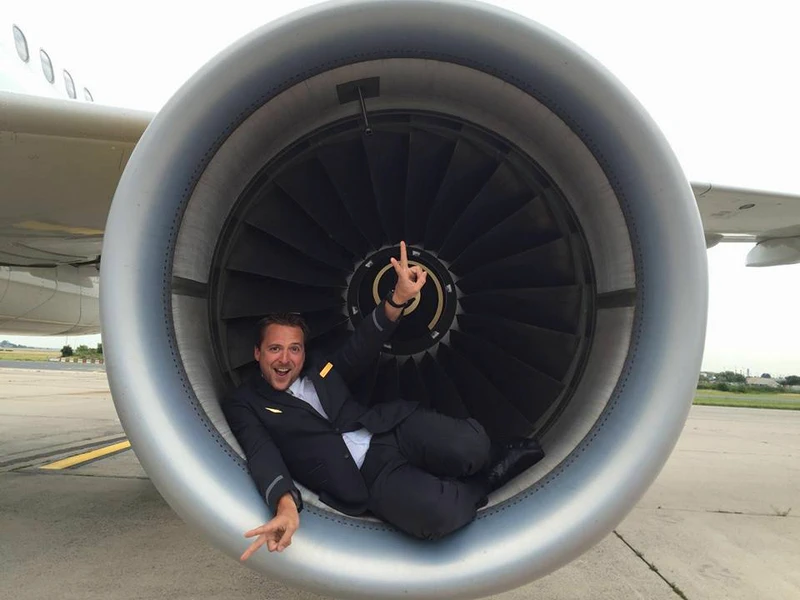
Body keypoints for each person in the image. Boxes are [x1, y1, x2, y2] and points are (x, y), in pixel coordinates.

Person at [222, 241, 544, 560]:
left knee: (471, 445)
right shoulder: (246, 403)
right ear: (258, 353)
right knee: (439, 517)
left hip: (387, 430)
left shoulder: (319, 367)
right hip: (364, 477)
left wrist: (398, 298)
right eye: (275, 349)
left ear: (303, 352)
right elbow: (261, 453)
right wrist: (284, 505)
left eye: (294, 349)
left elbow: (359, 348)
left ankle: (485, 457)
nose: (285, 359)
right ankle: (484, 480)